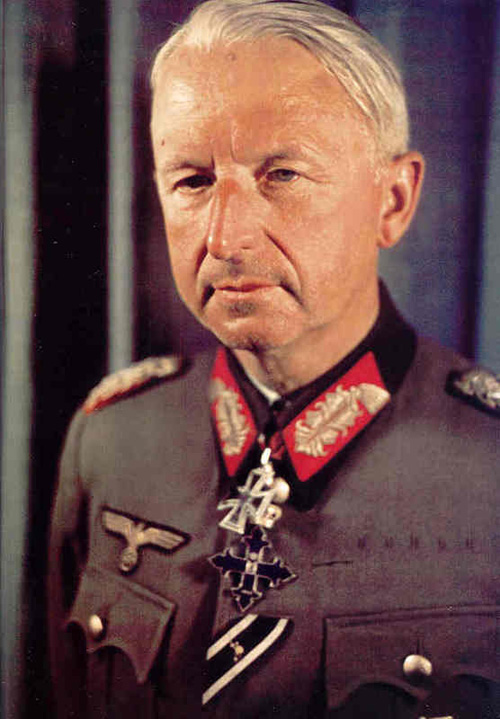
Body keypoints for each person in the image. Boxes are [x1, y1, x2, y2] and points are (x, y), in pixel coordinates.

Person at [48, 1, 499, 717]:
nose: (225, 238)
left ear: (393, 200)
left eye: (282, 174)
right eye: (193, 180)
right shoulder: (112, 441)